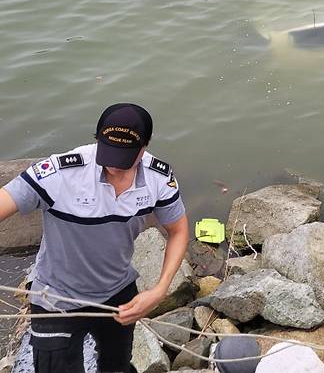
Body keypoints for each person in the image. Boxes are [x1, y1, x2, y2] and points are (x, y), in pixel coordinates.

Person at [0, 103, 189, 373]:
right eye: (108, 152)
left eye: (124, 156)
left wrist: (159, 291)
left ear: (145, 148)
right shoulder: (59, 173)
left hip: (118, 292)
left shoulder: (159, 178)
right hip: (56, 297)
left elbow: (178, 230)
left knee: (117, 366)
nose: (113, 164)